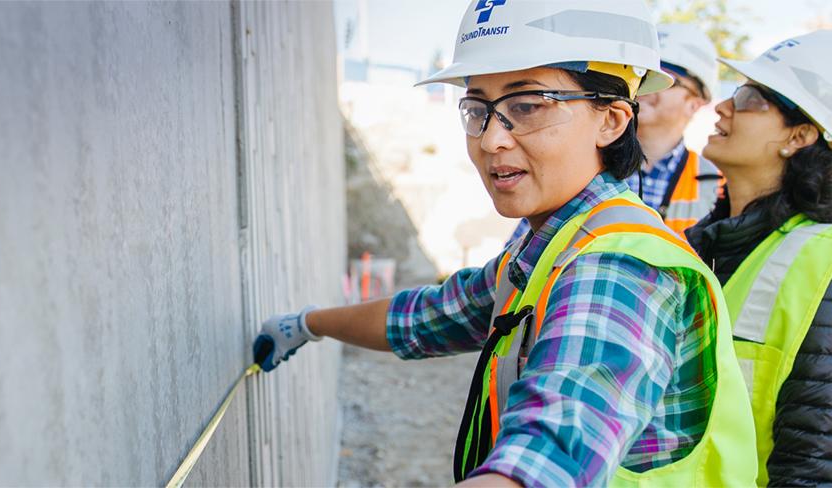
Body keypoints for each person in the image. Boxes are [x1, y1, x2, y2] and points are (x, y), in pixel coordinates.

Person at [254, 1, 756, 486]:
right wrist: (307, 324)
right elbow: (430, 316)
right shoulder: (554, 242)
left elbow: (552, 454)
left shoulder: (615, 266)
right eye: (479, 109)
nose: (492, 138)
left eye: (528, 105)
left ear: (612, 121)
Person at [686, 30, 832, 486]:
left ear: (801, 134)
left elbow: (812, 455)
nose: (723, 106)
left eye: (751, 99)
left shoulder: (821, 259)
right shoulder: (701, 246)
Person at [507, 22, 722, 240]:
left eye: (665, 78)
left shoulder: (717, 187)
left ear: (694, 103)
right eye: (641, 75)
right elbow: (520, 257)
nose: (644, 87)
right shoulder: (576, 164)